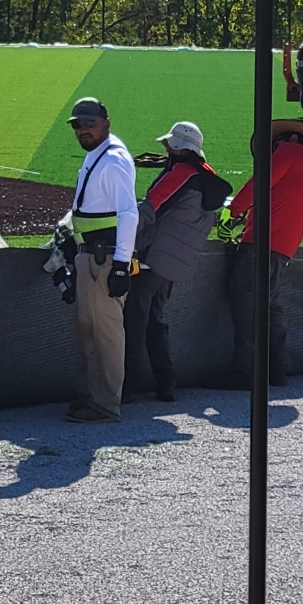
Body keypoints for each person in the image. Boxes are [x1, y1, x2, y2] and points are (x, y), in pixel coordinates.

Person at [125, 120, 232, 403]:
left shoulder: (180, 175)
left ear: (177, 147)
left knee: (133, 321)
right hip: (172, 266)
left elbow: (149, 210)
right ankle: (166, 383)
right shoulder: (207, 178)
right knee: (154, 322)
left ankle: (123, 389)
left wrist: (123, 241)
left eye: (168, 144)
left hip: (149, 259)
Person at [221, 119, 303, 389]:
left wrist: (232, 212)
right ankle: (277, 369)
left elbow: (259, 183)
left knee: (245, 302)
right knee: (269, 307)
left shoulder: (289, 153)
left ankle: (242, 372)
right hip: (285, 251)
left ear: (291, 140)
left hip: (259, 243)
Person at [60, 97, 139, 423]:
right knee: (89, 332)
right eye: (78, 125)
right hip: (91, 255)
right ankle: (91, 396)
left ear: (106, 123)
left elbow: (129, 215)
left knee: (105, 334)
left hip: (104, 260)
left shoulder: (114, 160)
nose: (83, 130)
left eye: (89, 123)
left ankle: (106, 404)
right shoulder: (100, 155)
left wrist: (121, 265)